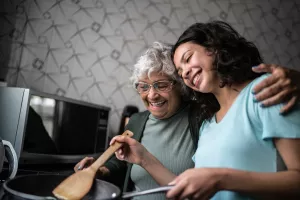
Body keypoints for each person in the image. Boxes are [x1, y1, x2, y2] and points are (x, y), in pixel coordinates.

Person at [75, 42, 299, 199]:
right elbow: (122, 161)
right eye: (143, 86)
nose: (151, 95)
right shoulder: (136, 120)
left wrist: (295, 77)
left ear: (180, 86)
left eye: (161, 85)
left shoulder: (203, 116)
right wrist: (99, 169)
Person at [164, 21, 300, 200]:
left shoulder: (265, 90)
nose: (186, 73)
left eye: (188, 59)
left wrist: (221, 179)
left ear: (214, 48)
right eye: (181, 73)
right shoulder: (207, 126)